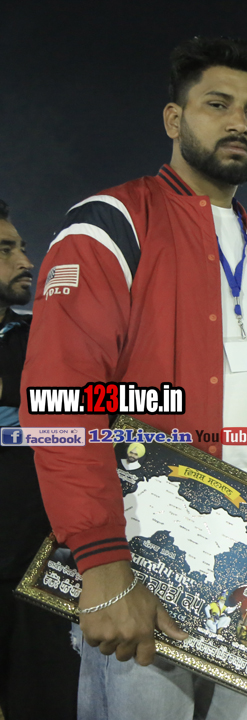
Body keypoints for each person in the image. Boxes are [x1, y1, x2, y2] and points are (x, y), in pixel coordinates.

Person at [19, 37, 247, 720]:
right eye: (218, 104)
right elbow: (63, 400)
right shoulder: (112, 223)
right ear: (174, 119)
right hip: (144, 564)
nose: (239, 122)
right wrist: (100, 560)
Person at [0, 198, 81, 719]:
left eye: (23, 247)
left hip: (40, 568)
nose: (27, 261)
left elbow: (92, 401)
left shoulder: (43, 338)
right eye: (5, 250)